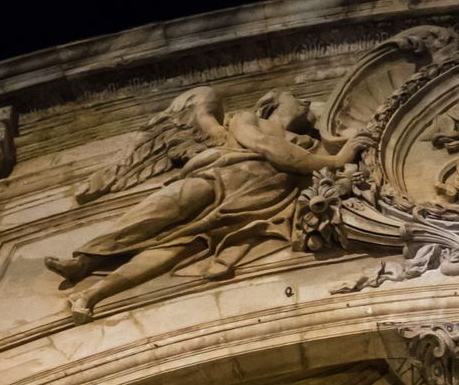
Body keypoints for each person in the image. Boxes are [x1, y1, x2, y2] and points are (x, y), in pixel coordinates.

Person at [44, 88, 367, 315]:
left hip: (256, 205)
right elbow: (275, 152)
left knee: (173, 251)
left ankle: (92, 294)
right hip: (220, 180)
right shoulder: (247, 120)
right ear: (269, 103)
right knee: (157, 212)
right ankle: (85, 260)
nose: (306, 101)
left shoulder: (312, 145)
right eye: (297, 98)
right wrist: (338, 158)